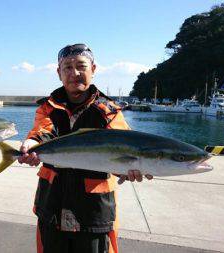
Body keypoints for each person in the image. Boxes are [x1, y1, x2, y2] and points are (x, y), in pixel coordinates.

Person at [18, 43, 153, 253]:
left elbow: (124, 147)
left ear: (93, 69)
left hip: (94, 211)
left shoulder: (108, 111)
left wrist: (130, 169)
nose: (74, 73)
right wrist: (32, 144)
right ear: (59, 73)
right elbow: (43, 131)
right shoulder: (47, 107)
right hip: (51, 204)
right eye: (67, 68)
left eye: (81, 66)